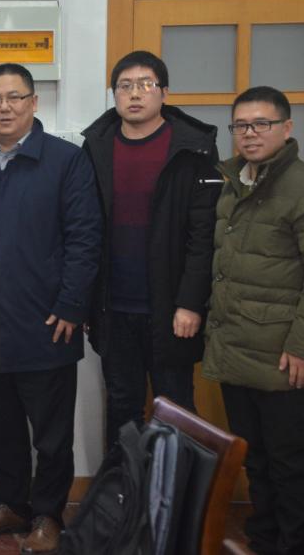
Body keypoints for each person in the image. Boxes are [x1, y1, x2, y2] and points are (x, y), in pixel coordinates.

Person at [0, 64, 101, 553]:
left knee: (51, 433)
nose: (4, 108)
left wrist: (72, 304)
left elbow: (85, 238)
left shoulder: (65, 160)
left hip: (46, 318)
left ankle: (48, 516)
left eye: (14, 97)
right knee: (0, 424)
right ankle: (11, 503)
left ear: (34, 103)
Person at [204, 86, 304, 555]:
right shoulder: (234, 183)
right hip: (236, 347)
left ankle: (296, 546)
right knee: (255, 457)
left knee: (288, 461)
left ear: (286, 128)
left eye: (261, 124)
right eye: (241, 125)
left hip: (283, 353)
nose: (250, 133)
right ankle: (264, 540)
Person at [82, 50, 219, 450]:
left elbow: (203, 236)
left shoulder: (192, 149)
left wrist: (191, 303)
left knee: (175, 413)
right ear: (114, 94)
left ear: (164, 93)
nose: (135, 94)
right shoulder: (96, 147)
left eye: (145, 84)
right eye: (125, 86)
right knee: (121, 409)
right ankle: (124, 488)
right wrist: (89, 303)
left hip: (171, 309)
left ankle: (173, 493)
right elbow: (86, 230)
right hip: (114, 307)